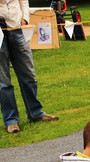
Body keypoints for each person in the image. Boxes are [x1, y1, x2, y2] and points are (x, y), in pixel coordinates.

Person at [0, 0, 59, 134]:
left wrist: (25, 19)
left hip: (17, 30)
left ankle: (36, 113)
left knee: (29, 75)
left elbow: (23, 1)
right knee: (3, 82)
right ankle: (11, 120)